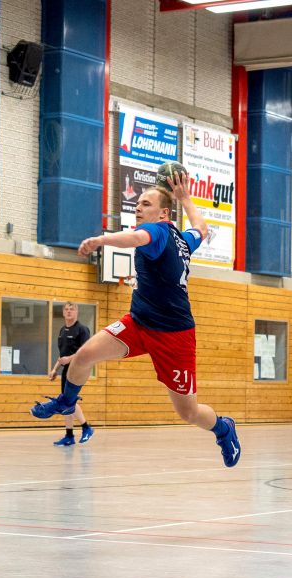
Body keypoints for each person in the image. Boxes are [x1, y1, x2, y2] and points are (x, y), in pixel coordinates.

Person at [28, 174, 241, 467]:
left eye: (145, 203)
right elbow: (201, 229)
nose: (137, 207)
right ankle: (67, 401)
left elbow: (137, 238)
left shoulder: (158, 233)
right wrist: (186, 198)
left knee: (188, 413)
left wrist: (100, 239)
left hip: (174, 336)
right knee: (83, 355)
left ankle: (223, 428)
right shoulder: (182, 240)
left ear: (163, 213)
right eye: (137, 203)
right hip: (139, 323)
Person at [48, 302, 94, 446]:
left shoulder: (82, 330)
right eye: (66, 310)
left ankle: (86, 427)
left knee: (69, 401)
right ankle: (69, 435)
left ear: (76, 312)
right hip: (66, 370)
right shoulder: (62, 330)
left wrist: (69, 359)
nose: (69, 312)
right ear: (63, 313)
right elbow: (63, 355)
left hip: (78, 369)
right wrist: (55, 369)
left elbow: (86, 352)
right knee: (65, 402)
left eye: (71, 309)